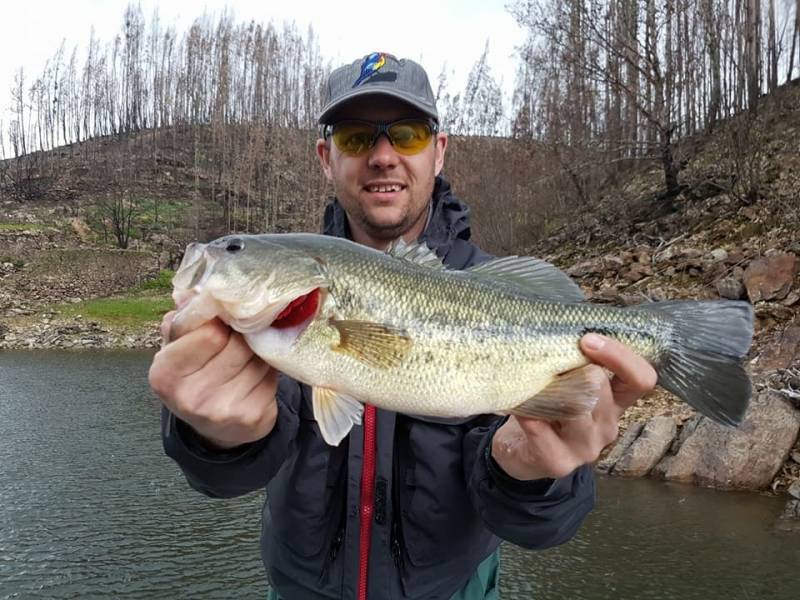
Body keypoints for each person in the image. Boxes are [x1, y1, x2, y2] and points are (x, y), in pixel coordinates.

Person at [149, 53, 657, 600]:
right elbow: (223, 482)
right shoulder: (265, 332)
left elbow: (541, 526)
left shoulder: (491, 286)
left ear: (438, 152)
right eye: (356, 136)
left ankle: (667, 337)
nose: (384, 156)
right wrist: (213, 440)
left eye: (408, 134)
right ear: (327, 157)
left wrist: (530, 474)